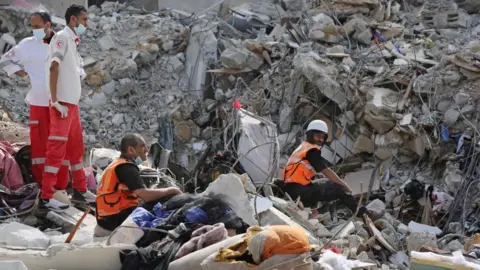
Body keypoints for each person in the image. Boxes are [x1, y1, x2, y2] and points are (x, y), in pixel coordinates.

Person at [0, 11, 71, 192]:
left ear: (48, 25)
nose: (34, 30)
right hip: (38, 103)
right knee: (39, 147)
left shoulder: (64, 43)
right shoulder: (26, 45)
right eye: (31, 26)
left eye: (37, 26)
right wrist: (24, 75)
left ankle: (60, 186)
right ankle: (42, 186)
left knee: (60, 146)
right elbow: (5, 60)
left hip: (60, 103)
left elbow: (76, 71)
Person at [41, 4, 93, 212]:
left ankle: (80, 188)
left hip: (71, 104)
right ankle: (47, 196)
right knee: (56, 151)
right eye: (84, 20)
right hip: (62, 104)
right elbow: (54, 66)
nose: (86, 24)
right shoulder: (62, 38)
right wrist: (55, 101)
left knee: (75, 148)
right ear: (73, 20)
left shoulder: (71, 40)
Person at [96, 133, 183, 232]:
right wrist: (171, 190)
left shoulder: (118, 164)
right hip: (115, 218)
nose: (146, 150)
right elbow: (146, 196)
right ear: (131, 150)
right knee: (167, 199)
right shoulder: (127, 168)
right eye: (142, 146)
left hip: (106, 217)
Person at [282, 120, 367, 216]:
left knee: (327, 184)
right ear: (310, 134)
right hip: (299, 192)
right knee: (338, 188)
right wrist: (344, 184)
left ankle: (317, 211)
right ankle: (358, 211)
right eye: (318, 136)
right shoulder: (312, 150)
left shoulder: (303, 147)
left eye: (323, 137)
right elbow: (326, 170)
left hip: (292, 189)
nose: (321, 140)